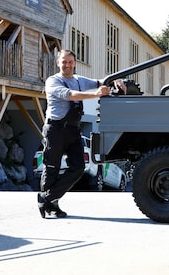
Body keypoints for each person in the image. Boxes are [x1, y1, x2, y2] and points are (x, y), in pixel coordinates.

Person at [38, 49, 125, 218]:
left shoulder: (79, 80)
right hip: (55, 129)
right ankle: (51, 204)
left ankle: (47, 198)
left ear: (75, 63)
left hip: (73, 130)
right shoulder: (53, 81)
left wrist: (115, 81)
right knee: (51, 167)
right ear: (58, 63)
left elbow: (99, 82)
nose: (67, 65)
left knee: (78, 167)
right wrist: (96, 95)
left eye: (70, 62)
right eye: (64, 62)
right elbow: (69, 95)